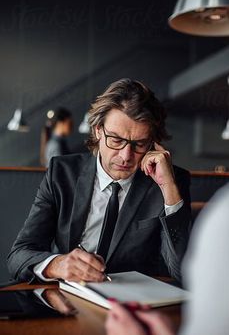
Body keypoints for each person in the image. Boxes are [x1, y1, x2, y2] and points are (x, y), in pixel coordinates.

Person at [7, 78, 191, 284]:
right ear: (97, 130)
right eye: (116, 140)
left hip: (132, 306)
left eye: (139, 143)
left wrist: (169, 189)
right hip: (67, 298)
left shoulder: (170, 182)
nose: (126, 155)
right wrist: (57, 264)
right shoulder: (62, 173)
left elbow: (182, 273)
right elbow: (19, 255)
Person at [105, 180, 229, 335]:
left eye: (137, 152)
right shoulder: (69, 170)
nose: (126, 156)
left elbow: (179, 272)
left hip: (134, 304)